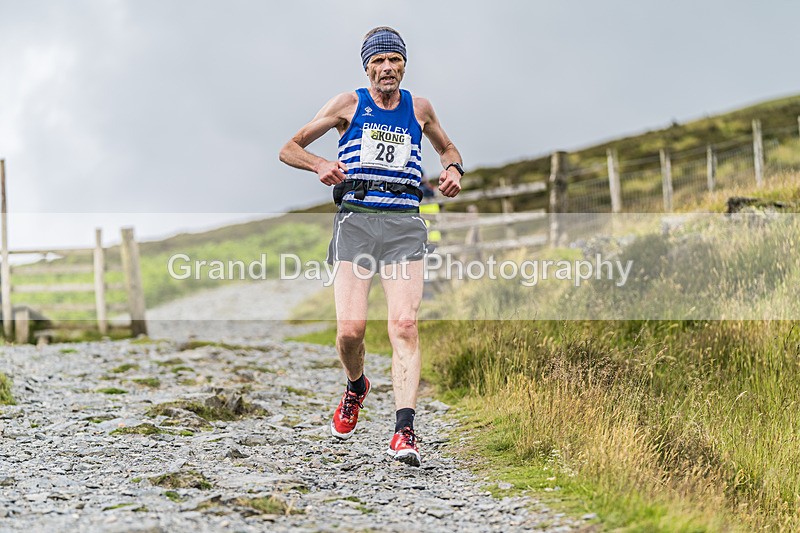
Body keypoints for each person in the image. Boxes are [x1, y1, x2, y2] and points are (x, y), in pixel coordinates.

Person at [279, 26, 463, 466]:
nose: (386, 68)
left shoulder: (420, 108)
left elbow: (448, 147)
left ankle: (404, 432)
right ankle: (356, 385)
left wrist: (454, 168)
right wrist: (319, 162)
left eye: (394, 60)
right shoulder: (348, 104)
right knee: (350, 332)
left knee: (404, 326)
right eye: (378, 61)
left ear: (404, 64)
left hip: (403, 225)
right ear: (367, 68)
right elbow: (288, 148)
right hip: (357, 223)